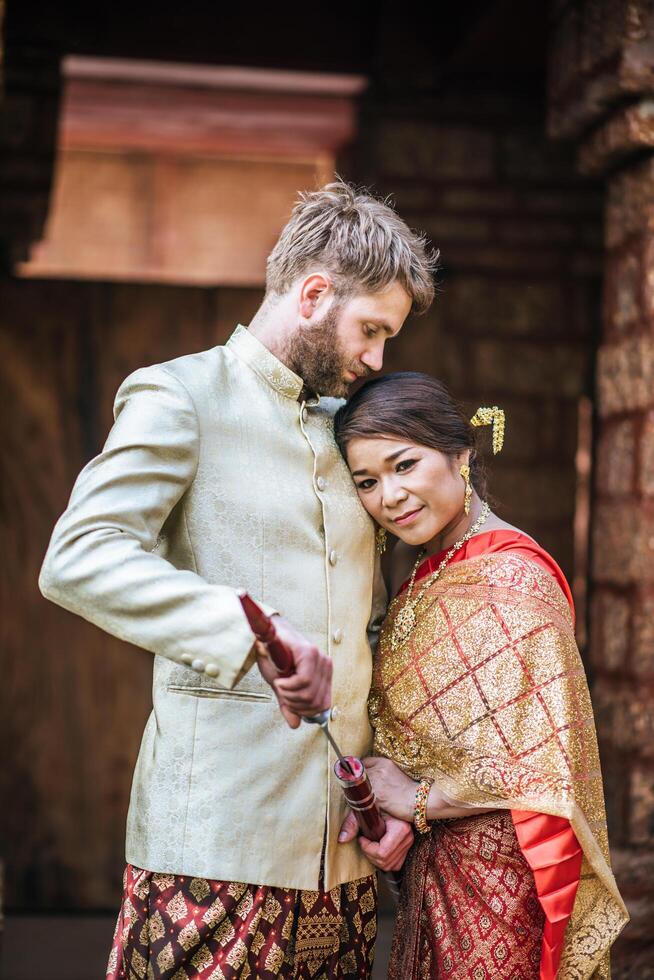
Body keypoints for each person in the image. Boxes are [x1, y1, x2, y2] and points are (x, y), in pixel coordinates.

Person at [38, 182, 439, 979]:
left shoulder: (351, 433)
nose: (376, 359)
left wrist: (392, 794)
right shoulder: (181, 395)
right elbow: (79, 554)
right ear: (314, 293)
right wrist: (248, 628)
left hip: (341, 860)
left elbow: (366, 630)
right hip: (213, 843)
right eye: (371, 330)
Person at [334, 372, 628, 980]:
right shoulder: (425, 567)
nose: (389, 495)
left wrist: (412, 798)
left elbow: (538, 766)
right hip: (433, 868)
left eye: (405, 465)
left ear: (460, 456)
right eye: (368, 481)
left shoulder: (512, 579)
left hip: (500, 880)